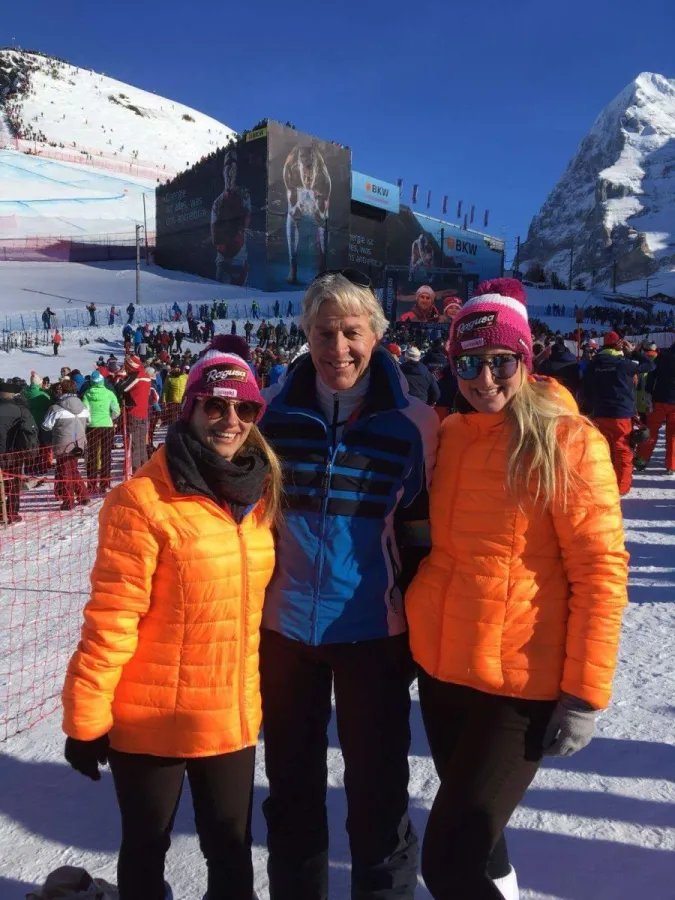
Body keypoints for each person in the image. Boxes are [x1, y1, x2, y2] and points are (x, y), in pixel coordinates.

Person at [405, 278, 629, 900]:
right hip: (445, 671)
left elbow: (601, 571)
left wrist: (584, 695)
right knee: (482, 844)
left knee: (448, 863)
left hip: (520, 683)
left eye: (500, 361)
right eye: (468, 363)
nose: (484, 379)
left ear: (525, 359)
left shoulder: (568, 441)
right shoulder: (451, 435)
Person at [62, 335, 282, 900]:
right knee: (146, 847)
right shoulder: (142, 501)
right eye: (215, 406)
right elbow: (112, 617)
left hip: (228, 713)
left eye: (244, 408)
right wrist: (86, 718)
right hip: (151, 715)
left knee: (230, 850)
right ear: (190, 409)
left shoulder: (262, 494)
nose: (230, 421)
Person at [258, 270, 439, 900]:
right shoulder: (269, 414)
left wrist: (411, 623)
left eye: (351, 332)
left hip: (373, 635)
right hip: (284, 633)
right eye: (324, 333)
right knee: (291, 793)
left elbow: (421, 535)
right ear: (306, 336)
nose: (338, 348)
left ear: (376, 335)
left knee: (378, 795)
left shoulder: (415, 423)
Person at [582, 331, 653, 494]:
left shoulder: (593, 364)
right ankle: (621, 487)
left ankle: (602, 484)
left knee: (601, 451)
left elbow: (586, 387)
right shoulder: (624, 363)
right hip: (621, 414)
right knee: (622, 450)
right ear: (619, 345)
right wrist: (633, 352)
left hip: (599, 413)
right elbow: (650, 365)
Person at [283, 144, 331, 284]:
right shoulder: (289, 171)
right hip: (298, 193)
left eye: (310, 173)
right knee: (291, 217)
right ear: (298, 166)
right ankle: (293, 268)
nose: (307, 177)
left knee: (323, 223)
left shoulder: (324, 179)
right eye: (305, 173)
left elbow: (323, 215)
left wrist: (318, 213)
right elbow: (291, 202)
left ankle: (322, 269)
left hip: (317, 196)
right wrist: (296, 207)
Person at [42, 379, 90, 510]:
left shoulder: (56, 408)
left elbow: (46, 425)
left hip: (63, 443)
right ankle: (83, 496)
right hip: (79, 441)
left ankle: (69, 501)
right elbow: (89, 421)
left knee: (65, 472)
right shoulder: (84, 406)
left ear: (62, 390)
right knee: (72, 469)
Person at [0, 379, 39, 524]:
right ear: (12, 395)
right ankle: (11, 512)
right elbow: (32, 431)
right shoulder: (22, 411)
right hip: (14, 454)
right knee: (14, 483)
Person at [211, 148, 251, 285]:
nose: (230, 172)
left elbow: (246, 222)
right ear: (223, 171)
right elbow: (214, 233)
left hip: (239, 257)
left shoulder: (244, 195)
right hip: (222, 259)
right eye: (227, 167)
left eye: (233, 167)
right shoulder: (217, 202)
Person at [636, 339, 675, 474]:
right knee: (673, 435)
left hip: (659, 398)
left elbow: (652, 374)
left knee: (651, 431)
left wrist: (648, 392)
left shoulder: (663, 355)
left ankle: (642, 460)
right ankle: (671, 465)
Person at [82, 371, 120, 494]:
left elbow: (85, 410)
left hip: (92, 427)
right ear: (102, 381)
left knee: (92, 455)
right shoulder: (109, 393)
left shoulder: (87, 393)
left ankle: (92, 485)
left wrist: (89, 421)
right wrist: (111, 418)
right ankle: (105, 483)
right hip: (106, 425)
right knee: (106, 454)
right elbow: (116, 410)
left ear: (91, 382)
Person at [120, 356, 152, 473]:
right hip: (143, 413)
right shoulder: (146, 376)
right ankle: (144, 468)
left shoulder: (137, 376)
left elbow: (123, 388)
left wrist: (122, 377)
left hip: (134, 413)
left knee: (134, 444)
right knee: (142, 443)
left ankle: (136, 470)